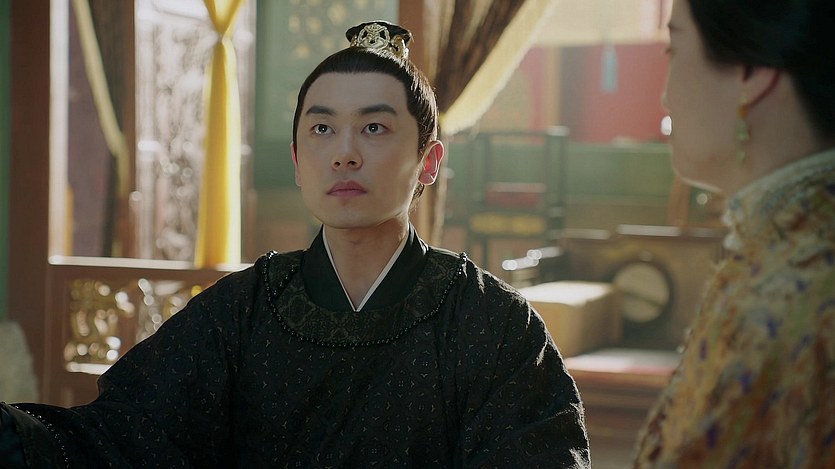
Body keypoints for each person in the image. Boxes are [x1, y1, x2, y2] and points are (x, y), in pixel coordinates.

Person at [0, 21, 590, 467]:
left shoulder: (492, 324)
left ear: (429, 161)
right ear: (297, 159)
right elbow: (119, 438)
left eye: (375, 127)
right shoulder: (241, 311)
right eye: (322, 128)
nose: (344, 153)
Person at [634, 0, 835, 467]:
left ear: (750, 72)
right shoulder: (785, 257)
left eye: (673, 50)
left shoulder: (780, 298)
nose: (665, 96)